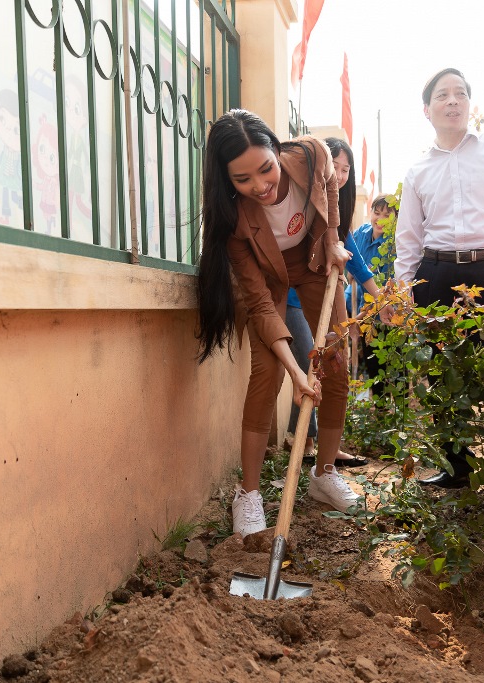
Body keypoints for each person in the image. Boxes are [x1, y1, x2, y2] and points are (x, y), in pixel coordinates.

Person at [195, 110, 359, 538]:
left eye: (265, 169)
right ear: (227, 181)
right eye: (243, 179)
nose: (260, 186)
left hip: (312, 264)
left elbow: (329, 188)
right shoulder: (234, 222)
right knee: (267, 373)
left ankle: (324, 476)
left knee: (336, 362)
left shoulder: (310, 154)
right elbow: (263, 309)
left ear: (277, 150)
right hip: (268, 281)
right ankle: (248, 494)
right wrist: (295, 371)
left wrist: (332, 239)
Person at [394, 67, 484, 489]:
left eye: (460, 93)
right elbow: (409, 239)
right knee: (442, 370)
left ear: (469, 105)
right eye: (443, 95)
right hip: (437, 274)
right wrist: (405, 290)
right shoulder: (418, 169)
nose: (452, 101)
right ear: (427, 109)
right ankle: (456, 468)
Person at [284, 137, 374, 469]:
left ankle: (321, 451)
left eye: (346, 169)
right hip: (290, 301)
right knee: (308, 365)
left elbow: (356, 261)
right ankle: (304, 441)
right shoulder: (302, 199)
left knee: (328, 365)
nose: (339, 174)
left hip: (320, 300)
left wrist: (380, 297)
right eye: (333, 166)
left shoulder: (337, 217)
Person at [349, 194, 396, 390]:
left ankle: (395, 417)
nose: (380, 219)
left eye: (387, 215)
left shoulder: (394, 245)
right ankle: (380, 414)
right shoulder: (361, 234)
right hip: (365, 318)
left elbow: (387, 291)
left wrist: (359, 318)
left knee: (395, 374)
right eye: (377, 213)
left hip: (391, 318)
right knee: (375, 373)